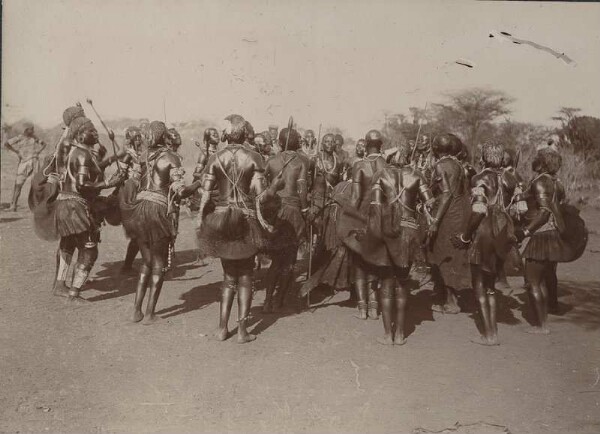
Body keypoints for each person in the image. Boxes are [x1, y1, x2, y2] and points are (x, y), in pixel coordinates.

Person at [195, 115, 283, 343]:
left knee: (228, 278)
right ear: (244, 133)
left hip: (221, 219)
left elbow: (204, 194)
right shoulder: (254, 157)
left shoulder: (215, 157)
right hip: (246, 221)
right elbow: (261, 196)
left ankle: (222, 329)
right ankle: (242, 331)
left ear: (226, 133)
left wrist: (200, 219)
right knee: (246, 277)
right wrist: (275, 187)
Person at [347, 140, 434, 344]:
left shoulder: (382, 175)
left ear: (390, 157)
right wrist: (419, 210)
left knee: (386, 282)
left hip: (386, 230)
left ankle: (388, 335)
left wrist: (371, 233)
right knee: (402, 284)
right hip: (409, 230)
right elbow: (430, 201)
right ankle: (401, 334)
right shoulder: (416, 175)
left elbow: (375, 207)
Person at [452, 140, 526, 345]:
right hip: (503, 232)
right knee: (491, 285)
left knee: (479, 285)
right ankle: (492, 333)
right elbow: (521, 210)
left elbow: (478, 211)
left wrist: (465, 236)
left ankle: (488, 334)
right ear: (501, 157)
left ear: (483, 157)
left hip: (483, 233)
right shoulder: (512, 178)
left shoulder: (479, 178)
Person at [51, 116, 125, 301]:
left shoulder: (78, 152)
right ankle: (74, 294)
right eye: (90, 131)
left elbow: (88, 173)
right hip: (77, 207)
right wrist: (109, 182)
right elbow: (83, 185)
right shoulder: (82, 154)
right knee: (89, 249)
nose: (95, 133)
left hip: (66, 204)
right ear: (80, 135)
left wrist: (113, 163)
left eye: (94, 130)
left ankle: (59, 285)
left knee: (67, 245)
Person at [121, 121, 187, 324]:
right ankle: (150, 314)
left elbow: (132, 181)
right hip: (158, 211)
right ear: (164, 136)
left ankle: (136, 311)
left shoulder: (143, 156)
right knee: (158, 264)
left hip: (139, 210)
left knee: (146, 262)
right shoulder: (171, 157)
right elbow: (179, 190)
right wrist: (198, 184)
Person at [516, 148, 570, 334]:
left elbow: (544, 212)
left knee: (533, 281)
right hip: (553, 234)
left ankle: (541, 325)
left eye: (536, 159)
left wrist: (525, 231)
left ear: (541, 163)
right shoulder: (558, 183)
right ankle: (547, 314)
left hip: (540, 235)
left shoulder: (540, 181)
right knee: (545, 276)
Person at [262, 127, 309, 312]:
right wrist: (305, 210)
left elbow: (261, 185)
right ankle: (279, 299)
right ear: (298, 143)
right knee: (289, 260)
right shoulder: (301, 161)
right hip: (294, 212)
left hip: (275, 212)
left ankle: (267, 301)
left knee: (275, 260)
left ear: (279, 143)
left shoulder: (271, 160)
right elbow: (302, 189)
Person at [342, 130, 387, 319]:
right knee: (377, 262)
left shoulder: (360, 165)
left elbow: (355, 197)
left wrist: (347, 221)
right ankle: (375, 306)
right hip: (382, 219)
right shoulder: (388, 166)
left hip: (362, 217)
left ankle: (362, 307)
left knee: (360, 263)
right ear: (381, 145)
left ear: (366, 145)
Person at [427, 133, 471, 314]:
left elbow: (445, 194)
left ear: (436, 148)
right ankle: (448, 297)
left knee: (445, 255)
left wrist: (435, 220)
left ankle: (451, 302)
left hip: (448, 214)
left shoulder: (441, 165)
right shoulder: (458, 165)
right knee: (454, 254)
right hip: (461, 212)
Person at [309, 133, 344, 258]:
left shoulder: (338, 161)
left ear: (336, 144)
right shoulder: (315, 159)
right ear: (322, 144)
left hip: (330, 199)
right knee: (317, 226)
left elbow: (339, 182)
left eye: (332, 141)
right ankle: (313, 254)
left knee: (327, 228)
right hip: (316, 198)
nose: (329, 144)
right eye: (327, 141)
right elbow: (308, 179)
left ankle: (322, 257)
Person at [119, 126, 145, 274]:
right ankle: (128, 265)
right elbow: (120, 174)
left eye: (139, 137)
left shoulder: (143, 153)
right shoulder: (128, 155)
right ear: (129, 139)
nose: (138, 140)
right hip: (130, 194)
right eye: (135, 138)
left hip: (143, 191)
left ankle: (132, 264)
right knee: (138, 232)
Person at [4, 122, 47, 211]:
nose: (33, 131)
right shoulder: (19, 138)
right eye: (32, 129)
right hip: (24, 163)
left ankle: (35, 206)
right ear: (26, 130)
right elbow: (6, 144)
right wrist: (17, 152)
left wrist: (38, 152)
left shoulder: (34, 138)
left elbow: (44, 144)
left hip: (35, 162)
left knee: (35, 183)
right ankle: (13, 206)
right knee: (18, 184)